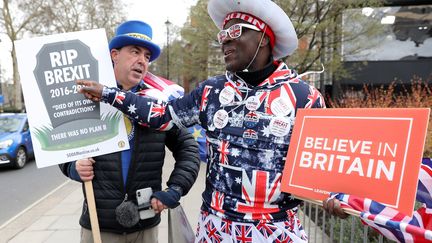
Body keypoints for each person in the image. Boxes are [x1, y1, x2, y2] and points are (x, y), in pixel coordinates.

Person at [78, 0, 326, 241]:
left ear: (264, 37)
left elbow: (324, 167)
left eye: (235, 31)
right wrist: (108, 93)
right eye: (222, 35)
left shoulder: (305, 98)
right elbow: (163, 115)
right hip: (216, 228)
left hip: (276, 230)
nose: (225, 39)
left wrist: (335, 198)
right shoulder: (212, 91)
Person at [59, 20, 200, 243]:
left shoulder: (159, 105)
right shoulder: (87, 97)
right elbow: (63, 147)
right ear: (114, 54)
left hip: (144, 225)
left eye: (146, 56)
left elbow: (189, 148)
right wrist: (73, 167)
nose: (142, 61)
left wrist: (176, 188)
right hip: (99, 225)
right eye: (135, 52)